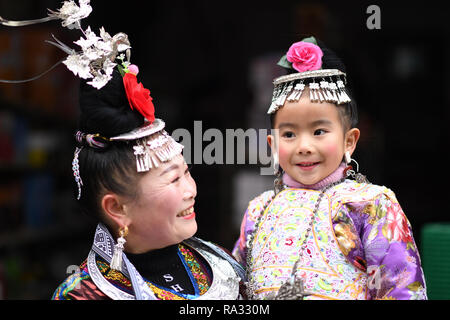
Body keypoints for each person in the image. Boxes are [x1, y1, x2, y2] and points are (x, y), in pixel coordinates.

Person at [1, 1, 244, 300]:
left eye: (186, 173)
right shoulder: (84, 295)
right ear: (117, 208)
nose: (190, 190)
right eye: (172, 180)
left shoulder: (219, 263)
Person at [232, 36, 427, 300]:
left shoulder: (370, 206)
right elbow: (236, 290)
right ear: (274, 145)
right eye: (289, 135)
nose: (304, 146)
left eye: (319, 131)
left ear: (350, 141)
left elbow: (401, 290)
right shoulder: (258, 210)